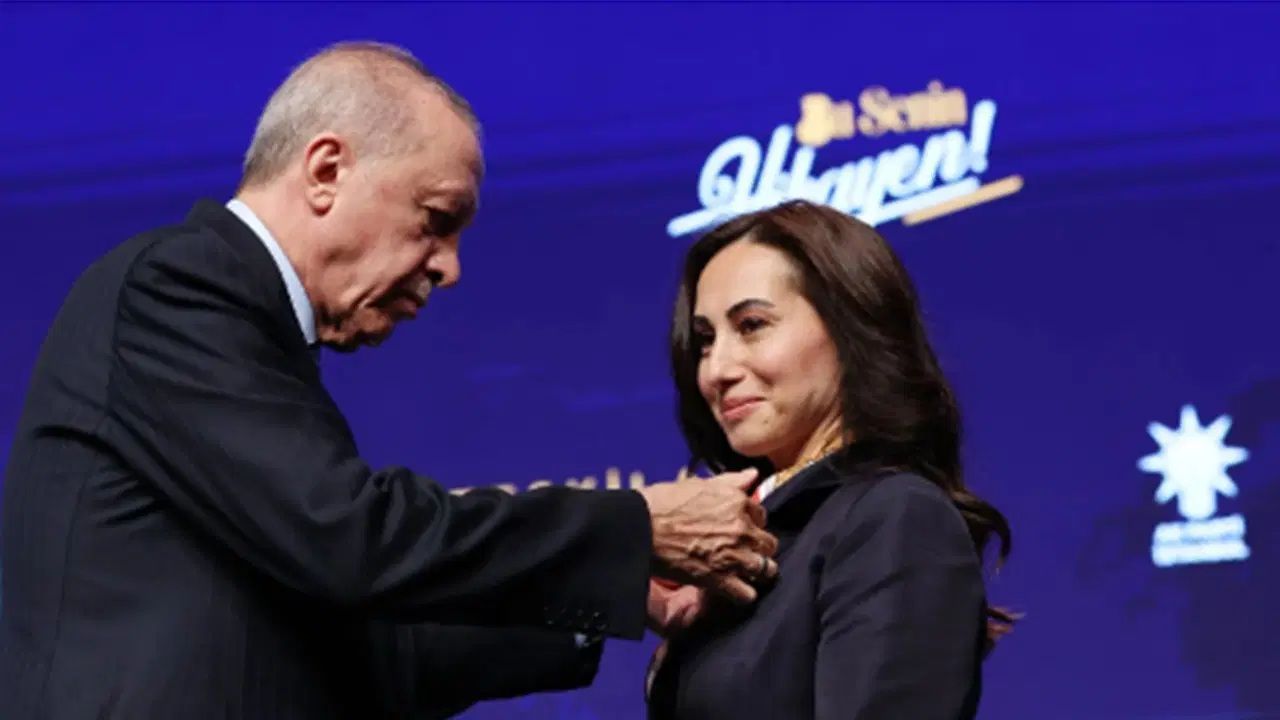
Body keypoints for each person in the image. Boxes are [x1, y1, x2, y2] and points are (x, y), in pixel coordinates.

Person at [0, 42, 780, 719]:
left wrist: (615, 596)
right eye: (436, 218)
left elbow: (371, 652)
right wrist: (634, 527)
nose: (450, 269)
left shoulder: (251, 344)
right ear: (326, 171)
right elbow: (349, 536)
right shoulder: (177, 287)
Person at [644, 200, 1015, 719]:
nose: (716, 369)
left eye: (752, 325)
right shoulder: (750, 546)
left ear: (848, 328)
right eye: (705, 341)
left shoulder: (895, 517)